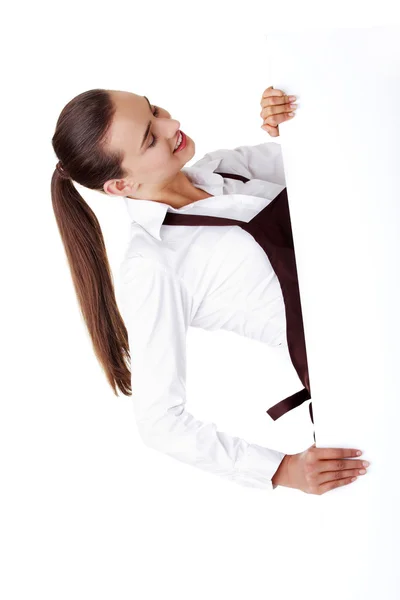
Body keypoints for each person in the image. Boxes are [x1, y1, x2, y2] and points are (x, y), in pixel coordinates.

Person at [50, 86, 369, 495]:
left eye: (155, 109)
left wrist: (294, 119)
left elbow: (343, 155)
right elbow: (158, 420)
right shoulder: (154, 265)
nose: (172, 125)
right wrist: (281, 470)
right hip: (361, 373)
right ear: (119, 186)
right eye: (150, 137)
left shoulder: (226, 168)